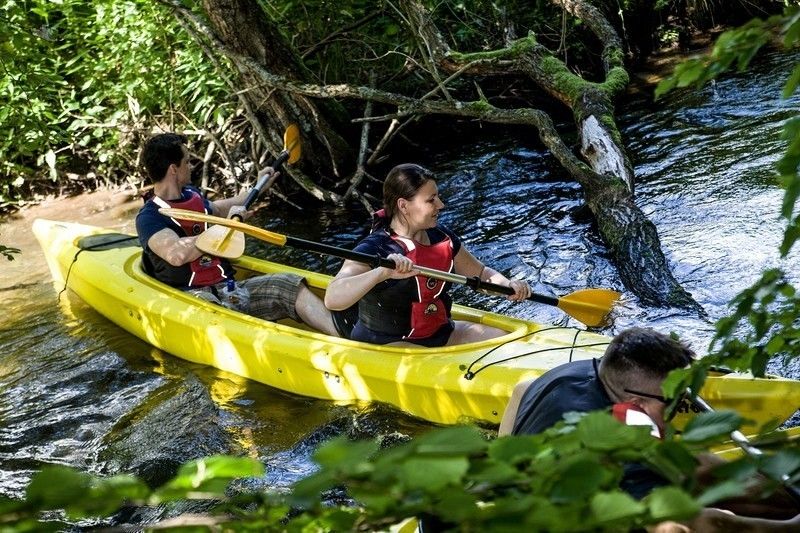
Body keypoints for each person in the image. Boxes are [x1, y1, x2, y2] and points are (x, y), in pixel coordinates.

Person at [499, 327, 800, 532]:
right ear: (637, 402)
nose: (678, 409)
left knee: (699, 464)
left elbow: (520, 390)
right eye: (673, 401)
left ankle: (786, 494)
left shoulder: (571, 374)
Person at [135, 132, 338, 337]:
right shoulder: (150, 217)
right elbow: (176, 254)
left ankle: (347, 343)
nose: (191, 166)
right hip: (192, 299)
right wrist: (225, 227)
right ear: (173, 169)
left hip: (229, 289)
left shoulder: (191, 196)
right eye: (187, 161)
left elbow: (220, 209)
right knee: (216, 314)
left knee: (289, 286)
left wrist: (257, 188)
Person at [323, 163, 532, 347]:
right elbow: (333, 298)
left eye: (438, 197)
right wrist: (381, 273)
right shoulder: (376, 248)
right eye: (431, 200)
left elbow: (482, 273)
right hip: (388, 343)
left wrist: (507, 286)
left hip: (440, 333)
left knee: (506, 342)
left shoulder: (442, 238)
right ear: (403, 205)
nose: (440, 205)